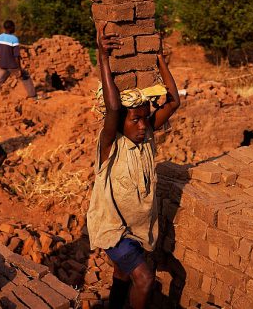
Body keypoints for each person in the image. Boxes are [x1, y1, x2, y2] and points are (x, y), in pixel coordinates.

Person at [87, 27, 180, 309]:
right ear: (120, 124)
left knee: (122, 273)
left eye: (144, 119)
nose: (142, 126)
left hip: (139, 229)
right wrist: (102, 55)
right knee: (145, 279)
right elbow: (114, 109)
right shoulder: (110, 145)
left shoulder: (148, 134)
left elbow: (174, 101)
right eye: (135, 121)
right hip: (114, 230)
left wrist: (160, 58)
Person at [0, 20, 37, 103]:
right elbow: (16, 56)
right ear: (11, 28)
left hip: (2, 64)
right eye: (14, 27)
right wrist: (19, 69)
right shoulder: (14, 39)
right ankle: (33, 96)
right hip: (12, 66)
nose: (15, 28)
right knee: (25, 76)